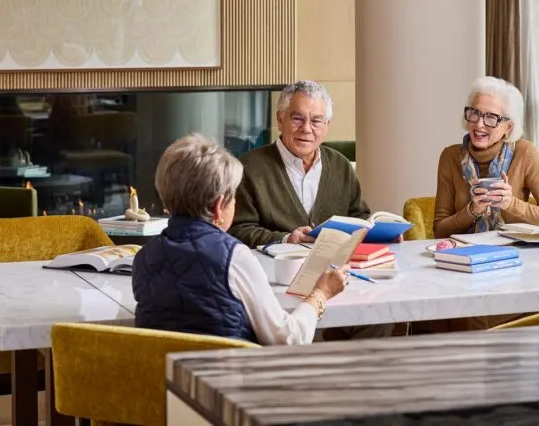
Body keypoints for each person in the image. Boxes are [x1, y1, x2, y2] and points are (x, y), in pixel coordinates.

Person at [132, 134, 347, 345]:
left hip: (163, 377)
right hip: (227, 377)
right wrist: (321, 293)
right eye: (234, 196)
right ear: (219, 206)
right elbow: (289, 338)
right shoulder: (233, 257)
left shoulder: (144, 258)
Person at [230, 80, 370, 249]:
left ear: (326, 126)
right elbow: (236, 230)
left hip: (334, 270)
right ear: (280, 120)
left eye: (316, 121)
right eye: (297, 118)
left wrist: (381, 236)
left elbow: (359, 219)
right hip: (275, 270)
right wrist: (285, 239)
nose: (306, 129)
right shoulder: (247, 168)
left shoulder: (341, 165)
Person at [434, 76, 539, 240]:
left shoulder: (524, 152)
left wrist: (511, 204)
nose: (479, 124)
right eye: (475, 113)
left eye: (491, 117)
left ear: (508, 127)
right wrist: (472, 210)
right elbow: (439, 231)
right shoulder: (450, 156)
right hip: (464, 256)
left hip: (515, 255)